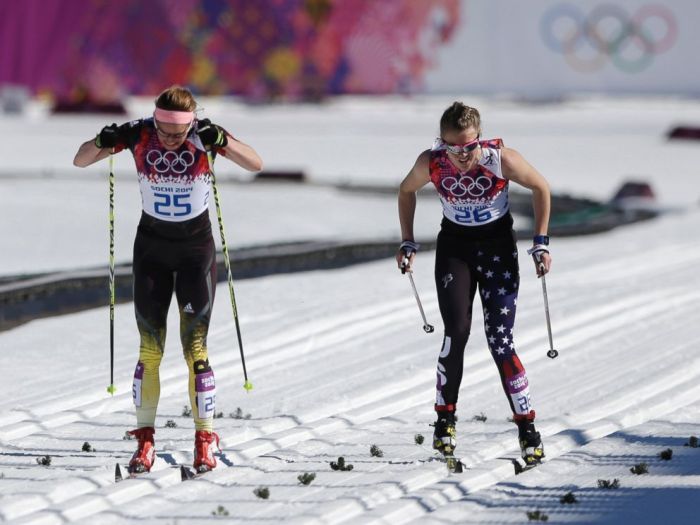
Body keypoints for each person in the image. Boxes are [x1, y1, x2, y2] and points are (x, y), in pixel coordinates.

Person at [73, 85, 263, 474]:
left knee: (195, 349)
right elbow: (81, 160)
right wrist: (101, 141)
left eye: (178, 133)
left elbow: (255, 163)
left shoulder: (204, 134)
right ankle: (145, 441)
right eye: (163, 130)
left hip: (195, 252)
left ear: (191, 122)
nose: (170, 140)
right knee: (150, 350)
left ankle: (204, 439)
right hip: (152, 251)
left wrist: (223, 142)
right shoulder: (140, 132)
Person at [396, 101, 551, 466]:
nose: (461, 157)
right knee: (457, 332)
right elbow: (405, 191)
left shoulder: (501, 159)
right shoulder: (431, 162)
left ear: (479, 138)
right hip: (456, 249)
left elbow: (541, 187)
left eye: (468, 147)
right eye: (452, 148)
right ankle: (445, 421)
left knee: (501, 341)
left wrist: (541, 241)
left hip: (497, 249)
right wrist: (407, 240)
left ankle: (527, 428)